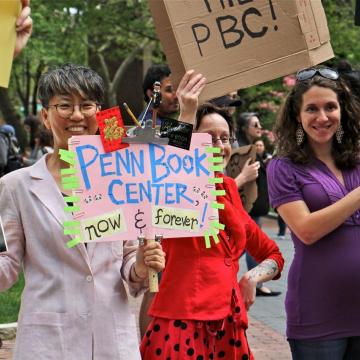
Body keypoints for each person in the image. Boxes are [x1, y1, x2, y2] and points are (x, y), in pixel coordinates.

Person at [0, 64, 165, 360]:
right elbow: (6, 268)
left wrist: (140, 264)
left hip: (111, 341)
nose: (76, 115)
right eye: (64, 105)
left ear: (98, 113)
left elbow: (128, 264)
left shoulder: (122, 177)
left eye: (86, 105)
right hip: (47, 344)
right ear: (45, 116)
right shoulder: (16, 187)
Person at [140, 72, 284, 360]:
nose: (218, 146)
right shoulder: (174, 185)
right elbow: (173, 160)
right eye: (207, 138)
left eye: (224, 138)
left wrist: (252, 278)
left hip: (229, 330)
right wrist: (188, 111)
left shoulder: (229, 188)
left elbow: (273, 255)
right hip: (179, 328)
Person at [267, 66, 360, 359]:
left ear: (342, 111)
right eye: (312, 109)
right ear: (298, 115)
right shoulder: (283, 168)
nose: (322, 117)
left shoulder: (356, 159)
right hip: (317, 311)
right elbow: (306, 230)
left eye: (330, 107)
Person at [236, 113, 281, 297]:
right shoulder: (241, 151)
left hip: (254, 208)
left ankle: (255, 283)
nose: (259, 127)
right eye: (255, 124)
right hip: (247, 208)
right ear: (244, 128)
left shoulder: (253, 150)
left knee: (249, 246)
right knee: (243, 246)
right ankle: (256, 284)